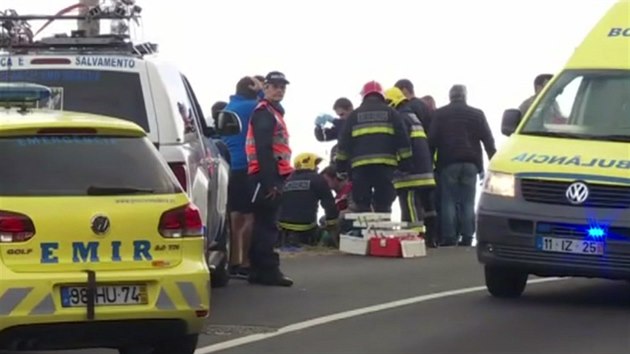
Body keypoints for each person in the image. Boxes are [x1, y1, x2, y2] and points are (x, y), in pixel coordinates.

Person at [429, 84, 497, 247]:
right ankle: (467, 236)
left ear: (450, 96)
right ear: (465, 96)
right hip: (471, 163)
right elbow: (488, 140)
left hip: (448, 162)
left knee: (449, 201)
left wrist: (430, 164)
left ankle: (450, 237)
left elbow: (431, 140)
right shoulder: (477, 114)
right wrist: (493, 164)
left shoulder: (440, 114)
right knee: (468, 201)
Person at [245, 71, 294, 287]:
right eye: (274, 86)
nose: (279, 90)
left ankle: (257, 270)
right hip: (267, 174)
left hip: (266, 173)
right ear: (265, 88)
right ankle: (268, 270)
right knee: (268, 225)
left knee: (262, 223)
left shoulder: (272, 112)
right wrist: (270, 182)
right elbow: (264, 148)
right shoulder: (265, 112)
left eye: (282, 86)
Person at [336, 80, 413, 213]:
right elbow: (403, 139)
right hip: (385, 166)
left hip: (360, 168)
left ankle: (366, 225)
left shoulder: (354, 116)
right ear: (382, 95)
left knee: (362, 203)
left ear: (364, 96)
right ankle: (383, 224)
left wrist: (341, 167)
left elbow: (343, 144)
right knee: (384, 202)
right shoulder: (392, 113)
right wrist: (405, 163)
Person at [384, 87, 439, 247]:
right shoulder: (412, 116)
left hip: (410, 174)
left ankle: (415, 239)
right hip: (425, 172)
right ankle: (431, 239)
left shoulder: (399, 118)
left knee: (410, 206)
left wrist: (399, 165)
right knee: (428, 207)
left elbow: (402, 144)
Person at [221, 76, 263, 279]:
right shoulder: (252, 106)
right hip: (248, 165)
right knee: (249, 215)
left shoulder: (230, 106)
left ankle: (233, 261)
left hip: (230, 166)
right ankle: (246, 262)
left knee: (235, 215)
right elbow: (269, 108)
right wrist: (261, 91)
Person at [278, 153, 339, 247]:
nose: (317, 168)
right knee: (325, 236)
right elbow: (328, 203)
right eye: (316, 165)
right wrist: (332, 223)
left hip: (283, 226)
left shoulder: (287, 180)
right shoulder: (317, 179)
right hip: (306, 226)